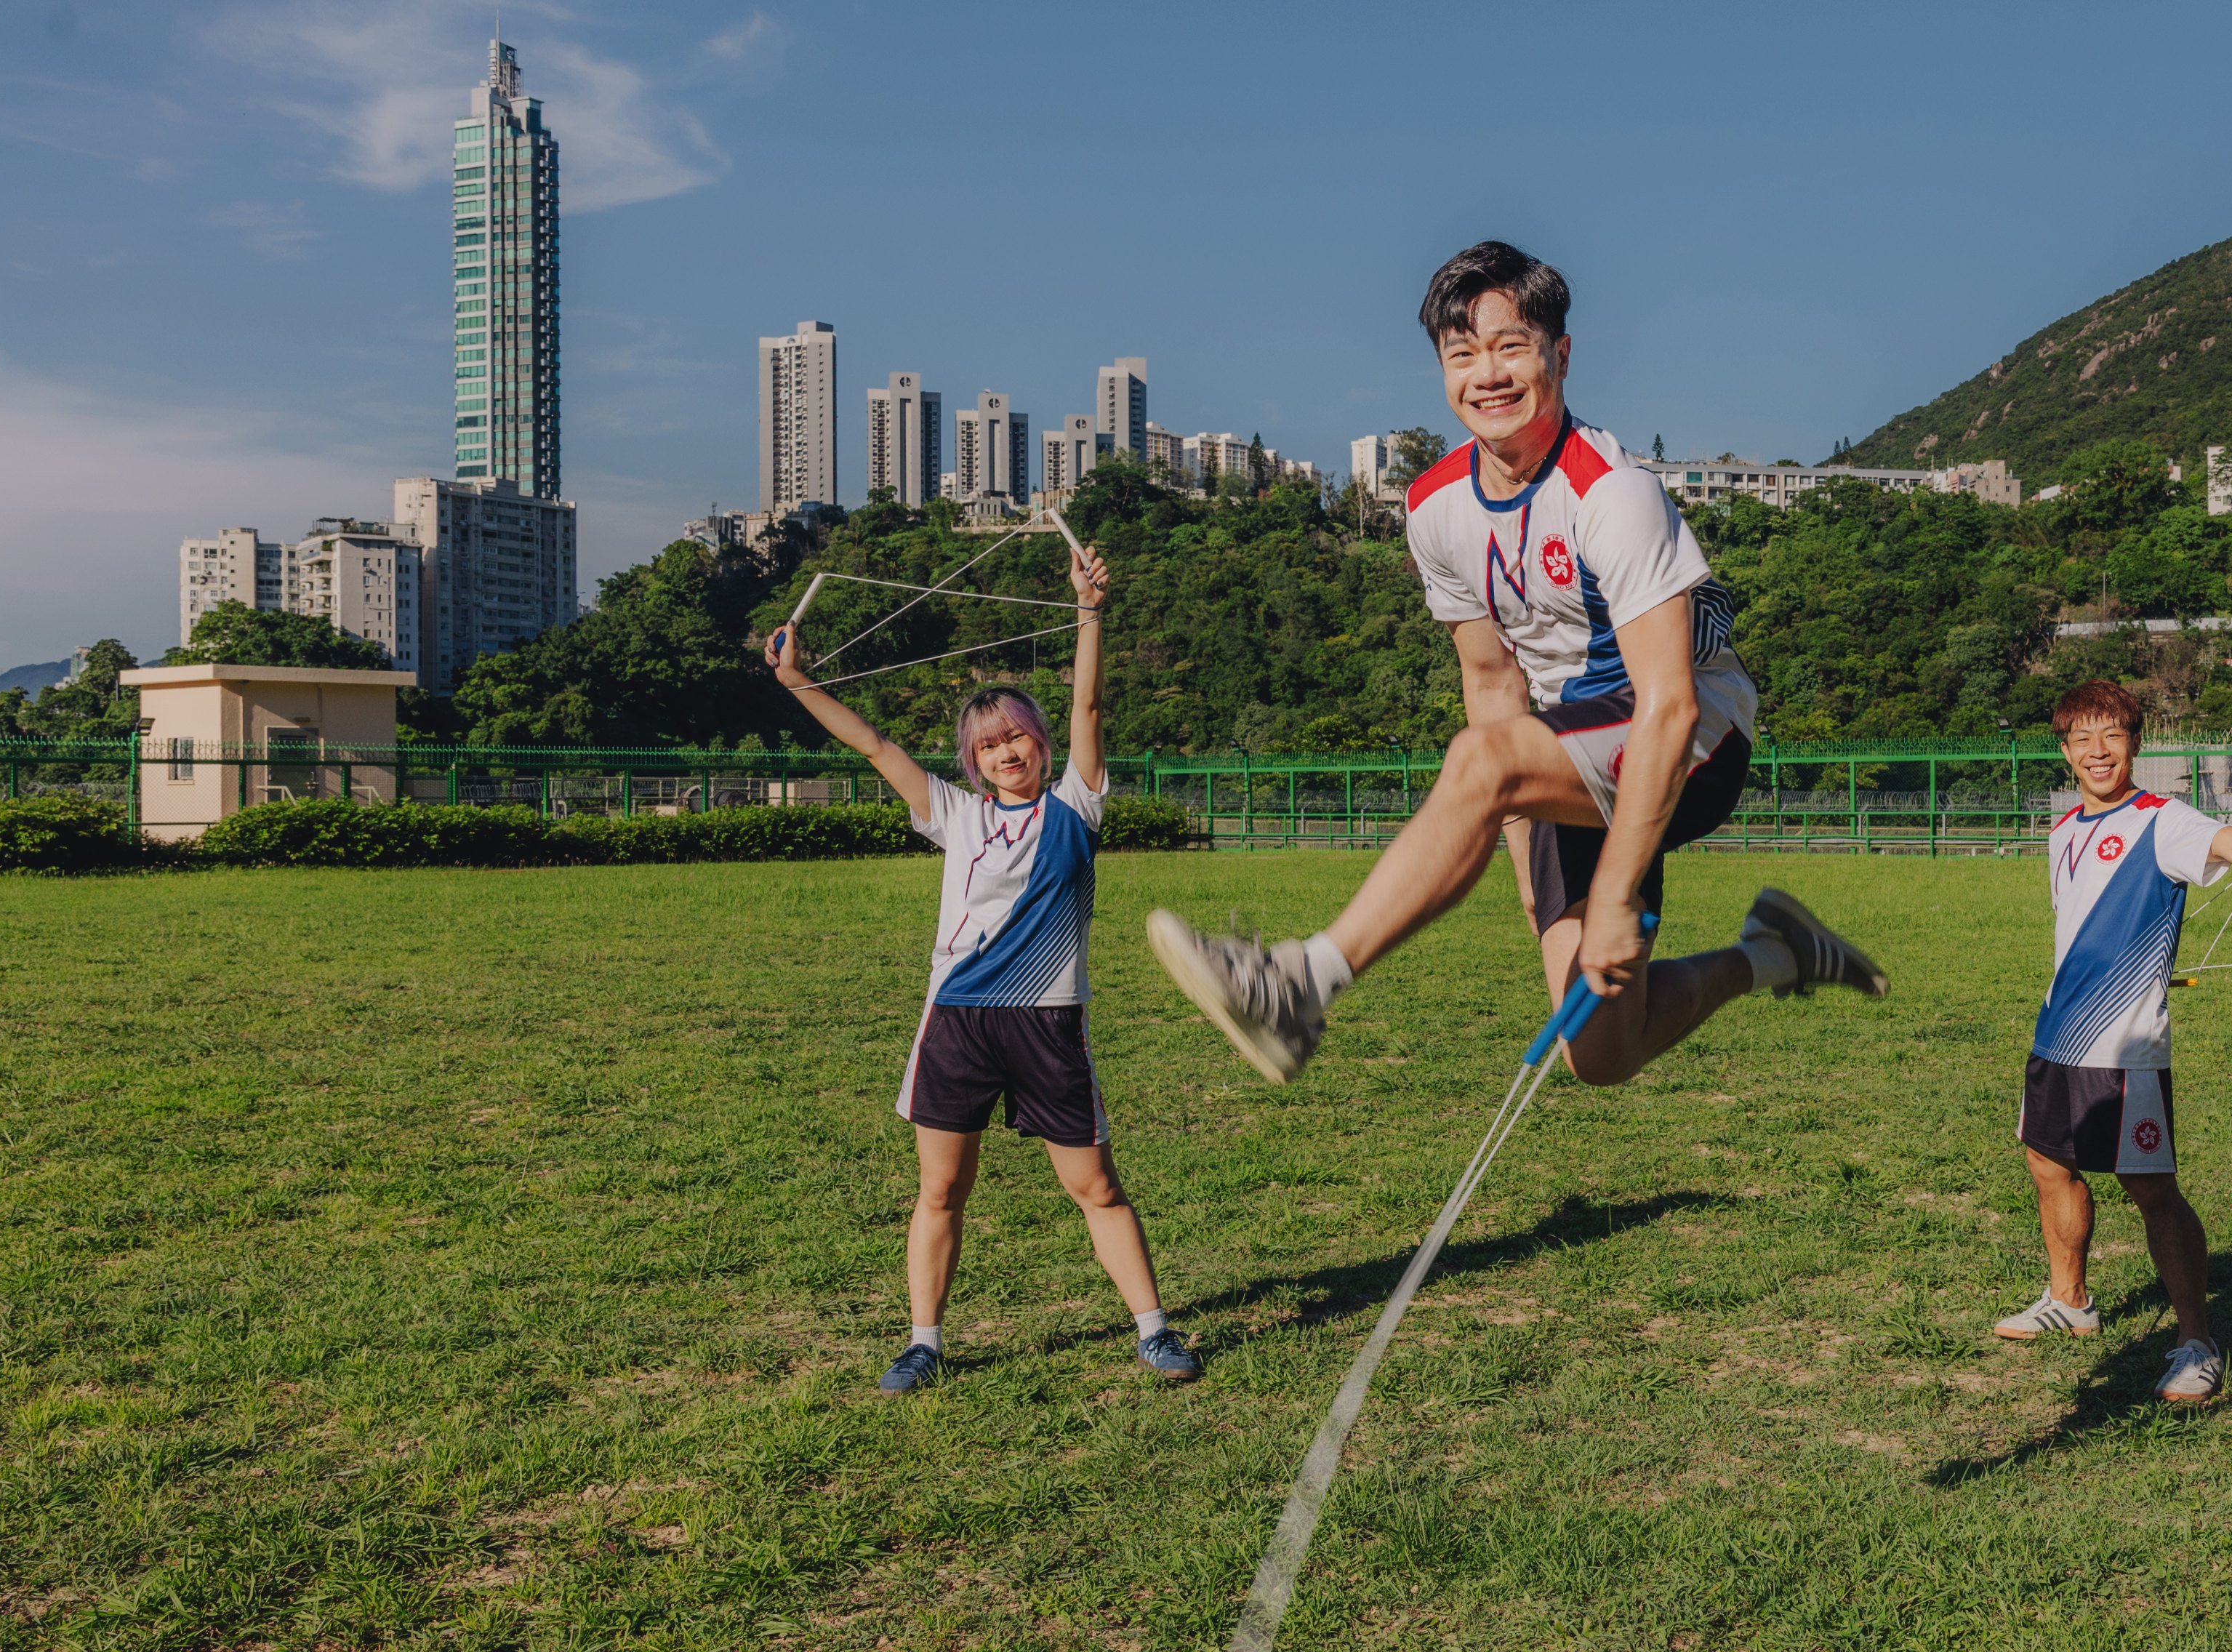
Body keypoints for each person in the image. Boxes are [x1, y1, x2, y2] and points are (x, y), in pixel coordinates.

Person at [1147, 238, 1887, 1091]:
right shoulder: (1433, 509)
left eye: (1510, 346)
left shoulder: (1614, 492)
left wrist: (1609, 889)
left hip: (1693, 741)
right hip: (1567, 752)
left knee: (1482, 760)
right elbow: (1493, 680)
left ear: (1559, 354)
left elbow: (1668, 707)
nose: (1487, 374)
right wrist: (1523, 835)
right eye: (1462, 354)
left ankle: (1299, 985)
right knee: (1600, 1051)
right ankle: (1772, 953)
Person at [763, 542, 1199, 1393]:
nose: (1007, 751)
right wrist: (796, 684)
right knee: (941, 1190)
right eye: (989, 743)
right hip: (958, 1025)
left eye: (1019, 737)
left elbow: (1090, 701)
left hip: (1047, 1022)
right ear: (973, 759)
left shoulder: (1079, 803)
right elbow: (873, 744)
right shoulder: (952, 813)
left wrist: (1088, 611)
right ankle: (923, 1340)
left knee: (1096, 1185)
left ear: (1041, 745)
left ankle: (1152, 1329)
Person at [1994, 678, 2232, 1402]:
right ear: (2066, 750)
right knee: (2047, 1164)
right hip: (2056, 1036)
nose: (2097, 751)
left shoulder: (2163, 821)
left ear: (2135, 743)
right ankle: (2069, 1300)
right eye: (2082, 738)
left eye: (2112, 735)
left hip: (2125, 1048)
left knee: (2150, 1189)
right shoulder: (2063, 830)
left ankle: (2196, 1339)